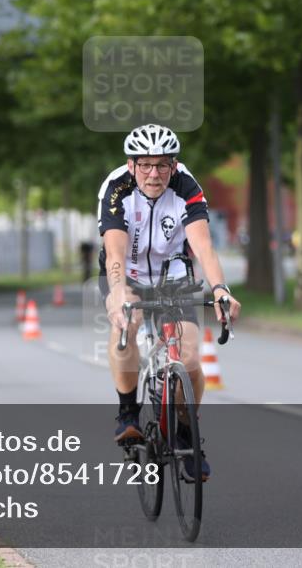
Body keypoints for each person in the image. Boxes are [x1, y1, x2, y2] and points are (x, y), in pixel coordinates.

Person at [98, 123, 242, 482]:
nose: (154, 173)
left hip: (173, 273)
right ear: (132, 165)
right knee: (125, 323)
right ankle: (128, 412)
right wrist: (118, 292)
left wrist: (221, 289)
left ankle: (186, 432)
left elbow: (203, 246)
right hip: (126, 271)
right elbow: (114, 249)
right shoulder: (116, 188)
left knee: (190, 358)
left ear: (173, 165)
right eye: (145, 165)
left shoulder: (186, 187)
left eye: (162, 165)